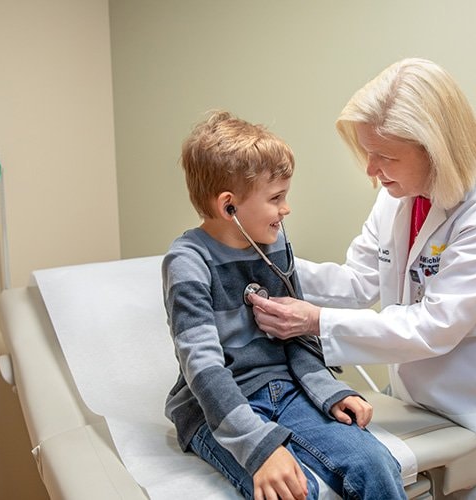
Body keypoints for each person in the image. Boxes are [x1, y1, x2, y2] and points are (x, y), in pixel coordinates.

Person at [248, 58, 476, 499]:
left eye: (385, 156)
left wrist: (315, 322)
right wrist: (267, 266)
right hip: (413, 399)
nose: (371, 169)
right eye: (368, 151)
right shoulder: (398, 196)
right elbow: (357, 281)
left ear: (436, 149)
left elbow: (436, 325)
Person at [161, 110, 406, 500]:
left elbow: (296, 337)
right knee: (294, 491)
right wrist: (259, 449)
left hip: (287, 391)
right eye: (276, 198)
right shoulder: (188, 262)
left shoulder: (274, 247)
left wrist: (328, 389)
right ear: (229, 206)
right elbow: (203, 370)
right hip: (218, 407)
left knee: (374, 465)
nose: (286, 209)